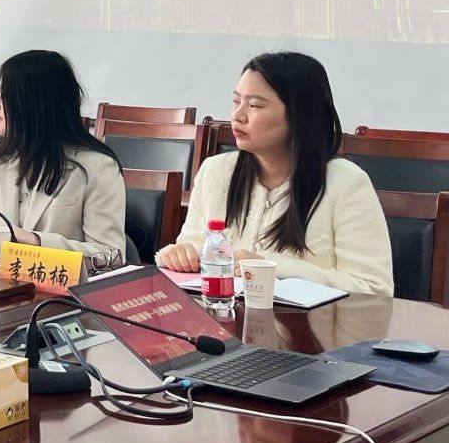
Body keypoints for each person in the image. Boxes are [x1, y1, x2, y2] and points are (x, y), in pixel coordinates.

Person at [157, 52, 392, 296]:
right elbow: (193, 248)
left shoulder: (347, 183)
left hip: (311, 321)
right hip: (223, 318)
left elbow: (374, 291)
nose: (238, 115)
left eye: (255, 105)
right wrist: (180, 255)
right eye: (236, 101)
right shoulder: (215, 172)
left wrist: (273, 268)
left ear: (299, 115)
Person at [0, 50, 127, 266]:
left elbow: (111, 255)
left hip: (59, 284)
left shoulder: (98, 167)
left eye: (3, 97)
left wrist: (36, 242)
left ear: (32, 103)